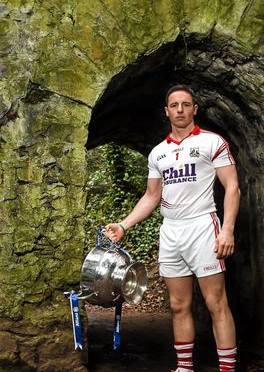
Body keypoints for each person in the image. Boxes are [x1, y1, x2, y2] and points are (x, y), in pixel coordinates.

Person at [105, 84, 239, 372]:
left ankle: (227, 369)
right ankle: (184, 368)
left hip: (203, 226)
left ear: (194, 109)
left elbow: (232, 187)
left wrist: (227, 229)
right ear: (166, 112)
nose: (180, 109)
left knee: (216, 303)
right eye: (174, 105)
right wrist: (124, 225)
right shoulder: (158, 153)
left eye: (186, 104)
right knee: (179, 305)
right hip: (171, 230)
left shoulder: (212, 142)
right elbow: (152, 196)